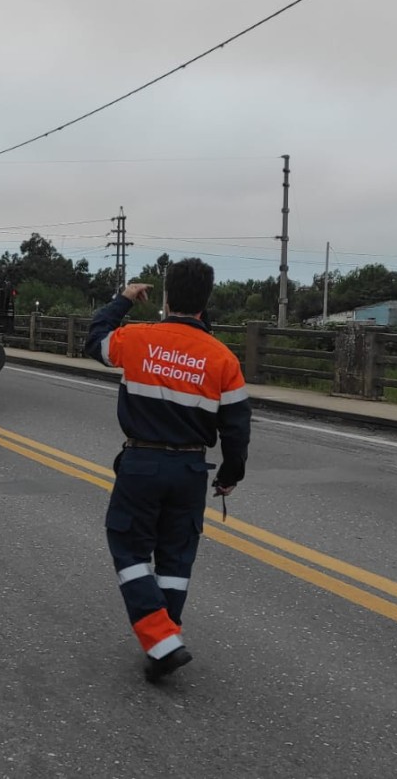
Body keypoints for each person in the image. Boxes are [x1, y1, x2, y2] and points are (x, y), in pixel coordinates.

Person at [84, 258, 251, 683]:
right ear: (207, 300)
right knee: (176, 558)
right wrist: (230, 475)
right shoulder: (222, 357)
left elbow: (95, 339)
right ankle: (164, 643)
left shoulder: (138, 338)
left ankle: (162, 641)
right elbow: (236, 427)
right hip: (191, 468)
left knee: (127, 546)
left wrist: (122, 299)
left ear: (165, 297)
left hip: (142, 463)